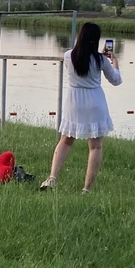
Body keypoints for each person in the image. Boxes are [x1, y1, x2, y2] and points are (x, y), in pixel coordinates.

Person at [39, 22, 122, 193]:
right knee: (95, 146)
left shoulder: (68, 55)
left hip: (74, 102)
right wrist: (114, 62)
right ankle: (87, 188)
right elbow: (116, 80)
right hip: (95, 102)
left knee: (65, 141)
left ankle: (52, 178)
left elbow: (83, 61)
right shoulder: (101, 60)